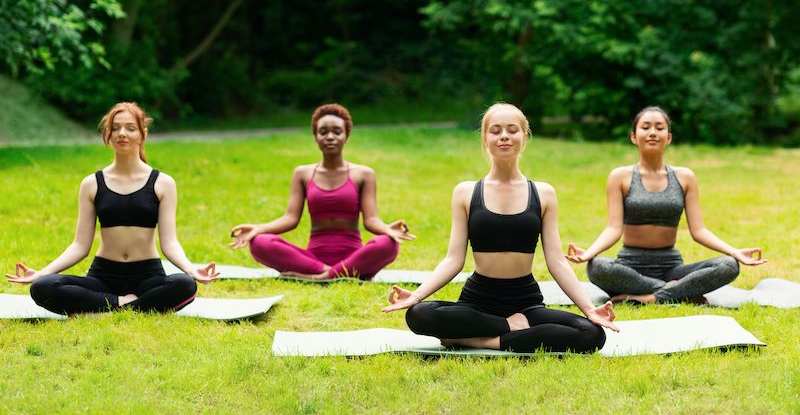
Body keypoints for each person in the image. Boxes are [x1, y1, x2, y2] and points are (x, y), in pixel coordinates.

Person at [382, 103, 617, 354]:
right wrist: (417, 296)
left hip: (526, 303)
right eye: (495, 130)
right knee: (419, 314)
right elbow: (453, 259)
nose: (504, 135)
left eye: (512, 130)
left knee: (591, 334)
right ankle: (507, 327)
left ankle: (479, 340)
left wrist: (589, 309)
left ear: (524, 137)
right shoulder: (466, 192)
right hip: (478, 301)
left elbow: (557, 262)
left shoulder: (544, 193)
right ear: (485, 139)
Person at [6, 102, 219, 315]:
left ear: (143, 134)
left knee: (185, 285)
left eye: (130, 128)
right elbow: (80, 246)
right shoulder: (92, 184)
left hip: (148, 275)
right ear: (107, 134)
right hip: (103, 276)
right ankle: (128, 305)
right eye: (115, 128)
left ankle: (107, 308)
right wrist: (42, 273)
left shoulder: (163, 183)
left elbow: (169, 243)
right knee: (43, 287)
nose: (122, 134)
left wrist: (191, 269)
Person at [566, 106, 767, 304]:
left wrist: (735, 252)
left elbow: (699, 230)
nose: (652, 132)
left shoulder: (685, 177)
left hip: (671, 266)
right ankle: (680, 291)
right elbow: (613, 228)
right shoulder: (620, 176)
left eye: (659, 127)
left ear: (668, 138)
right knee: (597, 267)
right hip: (629, 267)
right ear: (634, 137)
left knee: (729, 265)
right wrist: (590, 252)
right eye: (645, 127)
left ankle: (653, 297)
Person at [229, 103, 415, 280]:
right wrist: (257, 229)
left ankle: (321, 277)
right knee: (260, 243)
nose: (330, 137)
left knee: (388, 244)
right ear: (315, 136)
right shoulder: (302, 173)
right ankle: (339, 273)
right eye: (323, 132)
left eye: (337, 132)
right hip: (313, 259)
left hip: (354, 255)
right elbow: (290, 219)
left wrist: (388, 229)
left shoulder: (364, 174)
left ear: (346, 136)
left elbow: (371, 220)